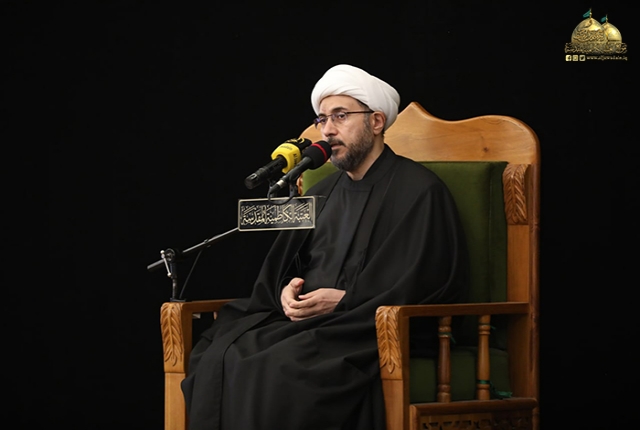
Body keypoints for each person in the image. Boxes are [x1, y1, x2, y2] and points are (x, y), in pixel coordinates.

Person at [181, 64, 469, 430]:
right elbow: (283, 268)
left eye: (341, 116)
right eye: (322, 119)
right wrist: (285, 292)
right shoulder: (320, 192)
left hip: (366, 329)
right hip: (307, 326)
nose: (328, 129)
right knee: (219, 351)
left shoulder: (421, 191)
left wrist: (346, 301)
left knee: (281, 365)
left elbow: (424, 285)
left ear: (376, 121)